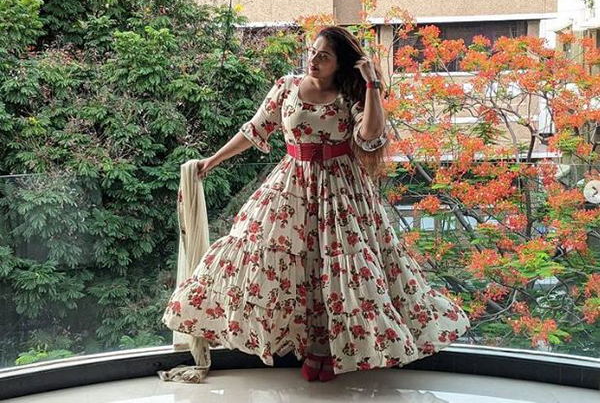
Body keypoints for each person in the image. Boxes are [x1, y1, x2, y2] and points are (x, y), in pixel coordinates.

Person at [162, 26, 471, 382]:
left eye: (324, 56)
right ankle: (308, 345)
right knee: (284, 263)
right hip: (291, 186)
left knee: (338, 267)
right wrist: (212, 162)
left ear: (340, 63)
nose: (313, 59)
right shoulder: (287, 86)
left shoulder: (350, 95)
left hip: (341, 191)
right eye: (312, 51)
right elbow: (254, 129)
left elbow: (370, 136)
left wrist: (372, 84)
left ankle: (328, 350)